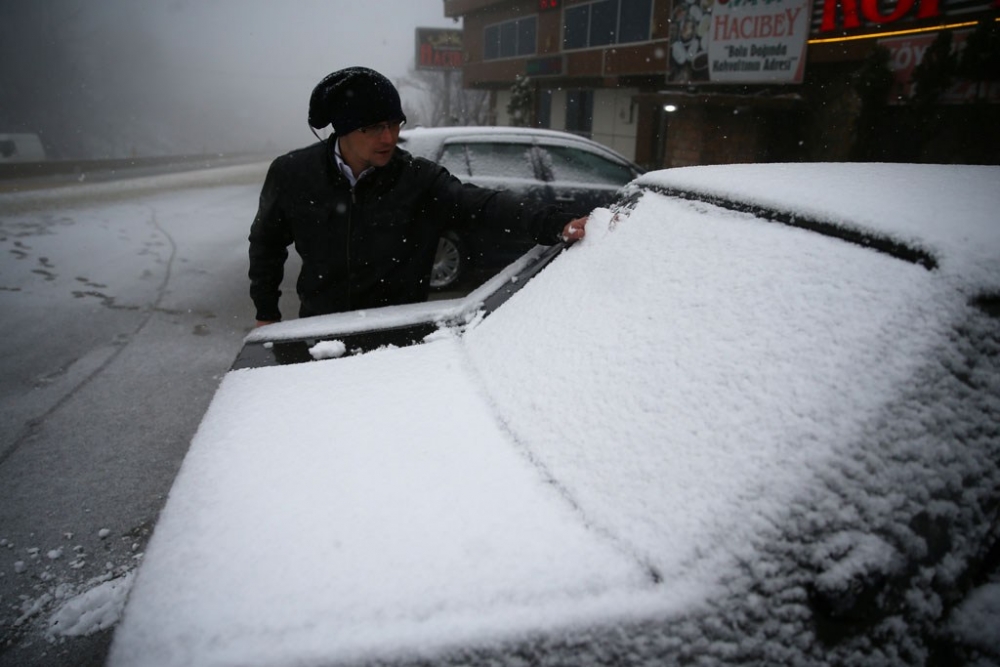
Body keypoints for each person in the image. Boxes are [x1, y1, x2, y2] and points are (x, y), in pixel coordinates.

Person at [249, 66, 587, 327]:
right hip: (319, 329)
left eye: (395, 124)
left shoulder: (417, 180)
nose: (389, 137)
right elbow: (266, 244)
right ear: (343, 128)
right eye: (375, 127)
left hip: (397, 335)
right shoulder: (293, 174)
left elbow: (481, 205)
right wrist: (266, 312)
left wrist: (556, 222)